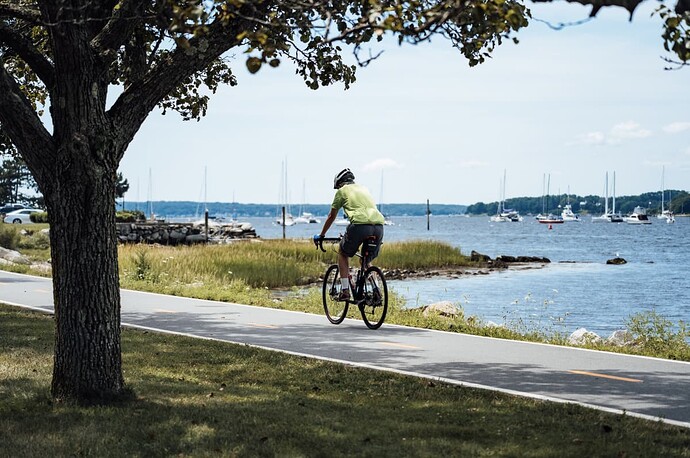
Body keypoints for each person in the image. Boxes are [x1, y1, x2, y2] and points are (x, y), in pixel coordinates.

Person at [314, 168, 385, 301]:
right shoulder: (364, 189)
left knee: (343, 253)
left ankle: (345, 290)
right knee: (365, 260)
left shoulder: (342, 191)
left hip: (359, 225)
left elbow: (331, 216)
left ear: (340, 183)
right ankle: (376, 291)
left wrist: (322, 235)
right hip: (379, 226)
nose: (338, 189)